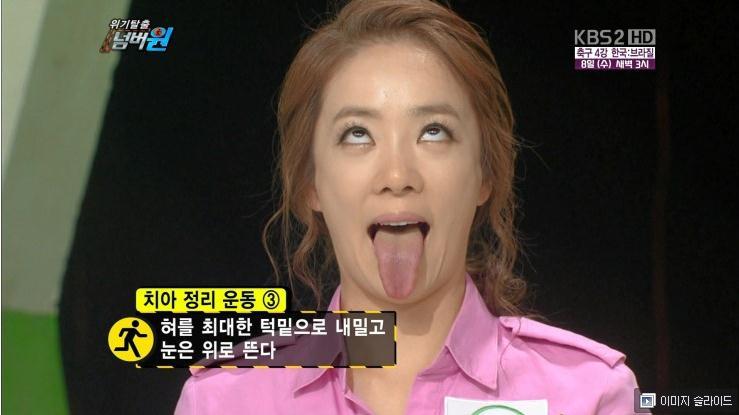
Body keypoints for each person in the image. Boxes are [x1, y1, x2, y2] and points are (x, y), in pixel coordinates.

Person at [175, 0, 644, 413]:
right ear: (310, 183)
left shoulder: (588, 396)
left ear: (485, 174)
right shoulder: (223, 400)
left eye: (433, 132)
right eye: (357, 134)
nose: (397, 175)